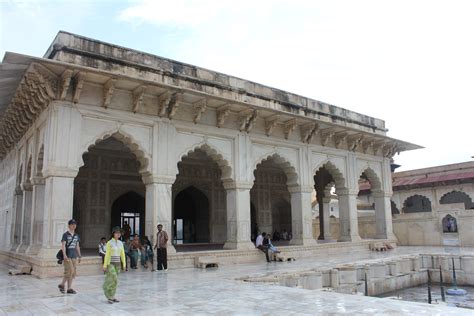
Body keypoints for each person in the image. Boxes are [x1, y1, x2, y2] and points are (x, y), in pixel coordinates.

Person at [103, 226, 126, 304]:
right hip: (111, 264)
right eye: (116, 233)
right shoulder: (109, 243)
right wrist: (105, 265)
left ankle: (112, 296)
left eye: (119, 233)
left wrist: (124, 264)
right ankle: (108, 295)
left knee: (115, 281)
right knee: (114, 278)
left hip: (118, 264)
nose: (118, 234)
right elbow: (107, 255)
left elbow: (122, 254)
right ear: (113, 234)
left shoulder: (120, 243)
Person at [58, 219, 81, 294]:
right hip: (67, 255)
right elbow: (63, 245)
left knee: (73, 272)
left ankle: (69, 288)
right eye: (72, 224)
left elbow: (77, 246)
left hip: (74, 255)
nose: (74, 226)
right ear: (69, 225)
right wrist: (64, 255)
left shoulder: (77, 235)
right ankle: (62, 284)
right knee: (69, 271)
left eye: (75, 224)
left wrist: (79, 255)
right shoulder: (65, 235)